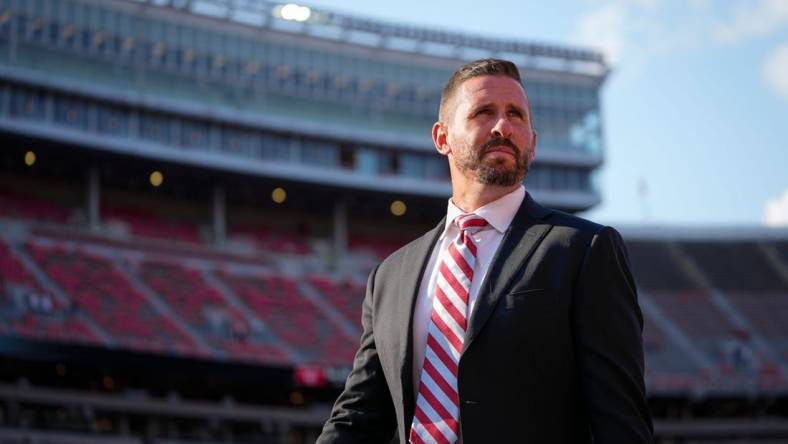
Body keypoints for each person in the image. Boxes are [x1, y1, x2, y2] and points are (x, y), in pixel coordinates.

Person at [317, 58, 653, 443]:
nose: (503, 127)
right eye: (484, 112)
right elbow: (358, 417)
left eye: (516, 115)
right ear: (441, 137)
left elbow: (621, 423)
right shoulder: (390, 276)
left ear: (534, 142)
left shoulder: (584, 249)